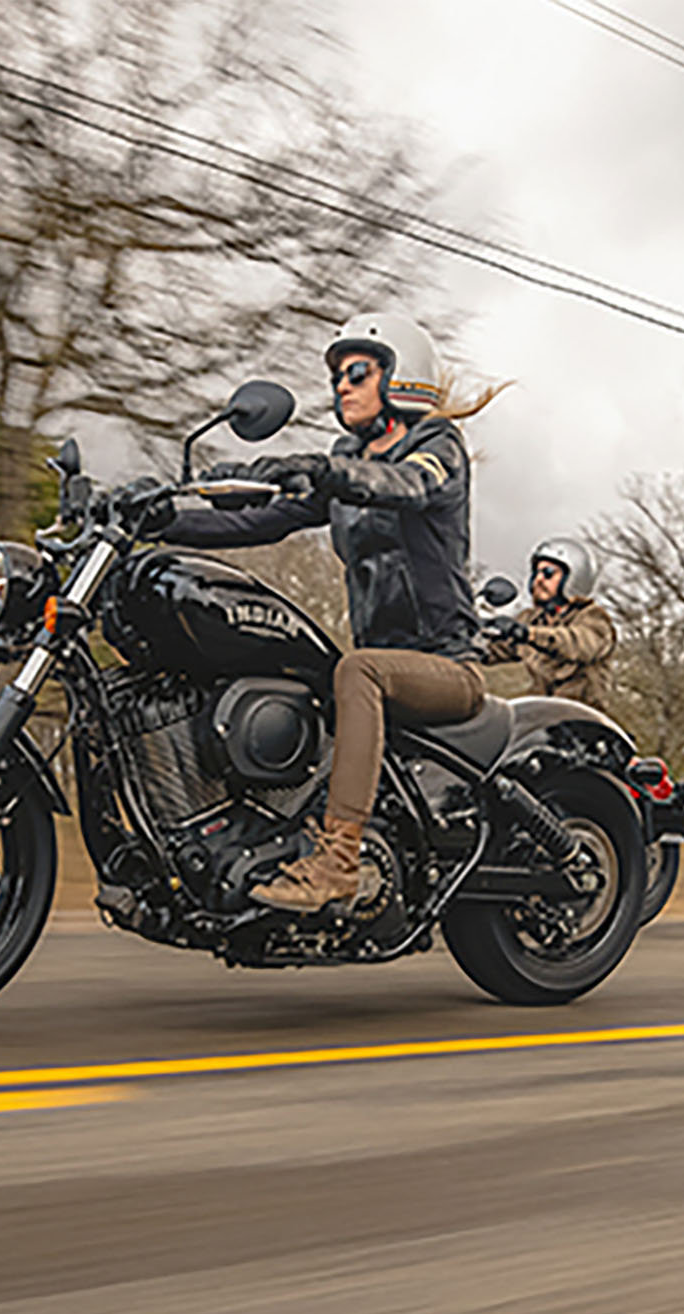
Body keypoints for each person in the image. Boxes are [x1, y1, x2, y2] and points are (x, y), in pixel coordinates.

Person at [156, 312, 498, 912]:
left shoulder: (437, 450)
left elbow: (406, 485)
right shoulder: (348, 460)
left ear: (400, 377)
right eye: (338, 375)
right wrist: (159, 522)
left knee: (356, 670)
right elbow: (258, 520)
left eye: (357, 371)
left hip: (447, 669)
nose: (341, 385)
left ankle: (339, 862)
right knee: (297, 670)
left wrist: (325, 471)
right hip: (384, 666)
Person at [481, 537, 616, 707]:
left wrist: (528, 634)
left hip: (581, 717)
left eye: (548, 573)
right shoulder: (532, 619)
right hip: (541, 714)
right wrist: (469, 637)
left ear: (573, 578)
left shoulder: (592, 617)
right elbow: (495, 650)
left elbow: (578, 644)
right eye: (536, 573)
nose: (539, 579)